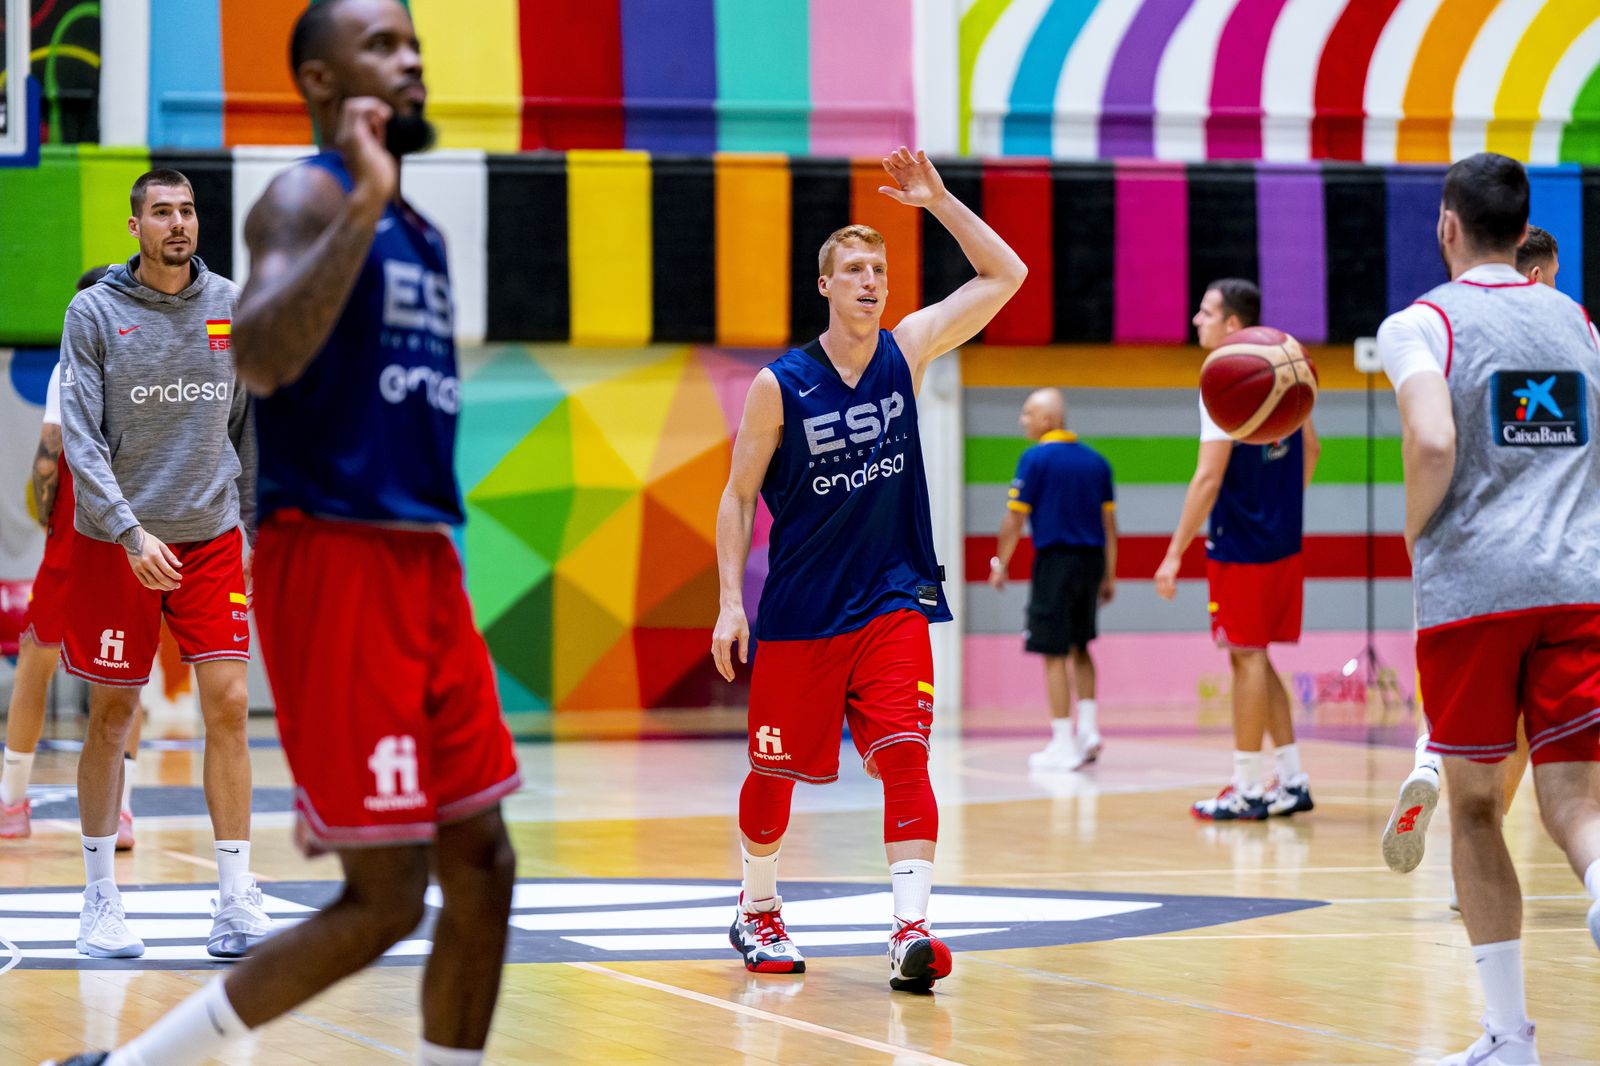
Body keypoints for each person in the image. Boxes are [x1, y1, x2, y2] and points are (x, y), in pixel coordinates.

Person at [47, 2, 520, 1063]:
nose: (409, 60)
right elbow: (255, 352)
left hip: (418, 553)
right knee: (387, 894)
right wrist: (360, 209)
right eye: (379, 45)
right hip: (337, 555)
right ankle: (128, 1054)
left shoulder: (417, 226)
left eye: (413, 42)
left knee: (484, 861)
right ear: (316, 79)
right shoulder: (307, 199)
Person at [712, 148, 1026, 992]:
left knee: (906, 759)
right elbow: (738, 499)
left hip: (891, 600)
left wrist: (940, 201)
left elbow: (1007, 273)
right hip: (802, 614)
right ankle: (756, 907)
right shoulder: (781, 387)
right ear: (824, 286)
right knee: (773, 773)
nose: (869, 281)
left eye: (878, 270)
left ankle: (910, 932)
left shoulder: (907, 350)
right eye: (853, 269)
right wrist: (726, 606)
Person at [1375, 152, 1600, 1065]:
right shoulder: (1579, 324)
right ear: (1524, 226)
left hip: (1473, 590)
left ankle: (1509, 1036)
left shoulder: (1420, 323)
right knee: (1575, 797)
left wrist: (1412, 530)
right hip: (1579, 583)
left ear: (1447, 225)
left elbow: (1431, 436)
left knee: (1474, 807)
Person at [56, 173, 267, 962]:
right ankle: (99, 899)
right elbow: (80, 435)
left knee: (231, 701)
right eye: (162, 213)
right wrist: (129, 531)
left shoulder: (232, 306)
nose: (178, 224)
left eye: (186, 211)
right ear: (135, 224)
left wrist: (251, 527)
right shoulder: (96, 313)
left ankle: (237, 898)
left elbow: (246, 424)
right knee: (114, 716)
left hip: (210, 534)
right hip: (121, 541)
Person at [1381, 225, 1561, 881]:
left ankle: (1430, 765)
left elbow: (1428, 443)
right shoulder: (1564, 341)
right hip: (1548, 560)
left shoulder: (1437, 335)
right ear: (1536, 277)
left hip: (1455, 551)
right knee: (1527, 736)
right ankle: (1484, 853)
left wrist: (1415, 533)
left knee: (1465, 712)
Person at [1155, 279, 1319, 820]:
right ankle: (1292, 779)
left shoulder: (1223, 381)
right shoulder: (1290, 364)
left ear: (1232, 325)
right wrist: (1282, 510)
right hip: (1283, 539)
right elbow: (1312, 447)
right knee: (1258, 657)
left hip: (1241, 544)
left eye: (1205, 312)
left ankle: (1248, 788)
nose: (1194, 321)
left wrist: (1175, 551)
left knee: (1244, 659)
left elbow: (1207, 478)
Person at [1, 266, 143, 849]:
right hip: (136, 528)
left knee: (36, 662)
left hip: (77, 533)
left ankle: (12, 803)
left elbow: (44, 465)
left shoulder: (71, 365)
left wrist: (46, 512)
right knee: (130, 675)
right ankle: (124, 810)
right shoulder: (146, 358)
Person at [988, 388, 1116, 771]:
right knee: (1080, 644)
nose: (1022, 420)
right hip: (1092, 562)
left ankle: (1063, 743)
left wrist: (1001, 561)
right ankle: (1089, 731)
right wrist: (1109, 574)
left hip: (1055, 562)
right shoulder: (1097, 462)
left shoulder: (1035, 458)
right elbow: (1110, 526)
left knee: (1053, 652)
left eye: (1028, 413)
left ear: (1048, 419)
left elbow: (1014, 518)